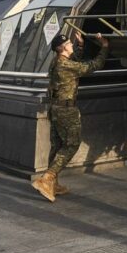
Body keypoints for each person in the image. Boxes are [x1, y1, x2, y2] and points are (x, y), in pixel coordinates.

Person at [31, 30, 109, 202]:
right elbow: (91, 67)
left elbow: (74, 61)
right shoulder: (64, 65)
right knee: (72, 144)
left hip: (55, 108)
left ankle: (53, 184)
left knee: (57, 145)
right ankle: (47, 179)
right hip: (66, 111)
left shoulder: (57, 61)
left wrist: (80, 45)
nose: (71, 45)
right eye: (68, 45)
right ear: (61, 49)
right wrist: (104, 47)